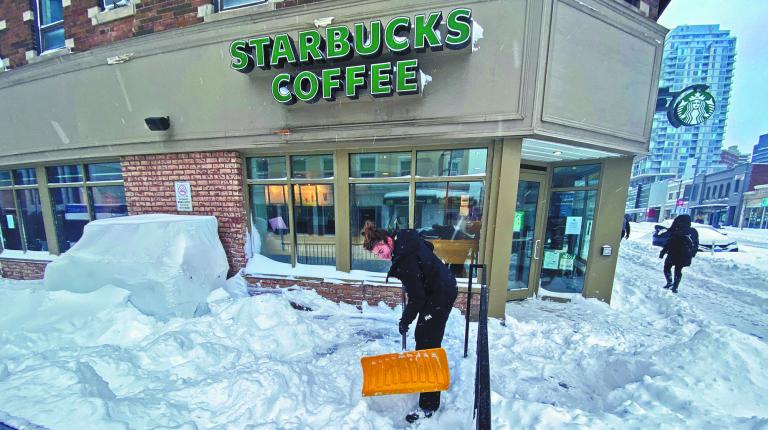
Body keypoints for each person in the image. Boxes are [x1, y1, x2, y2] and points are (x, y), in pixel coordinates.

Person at [361, 221, 458, 424]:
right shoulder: (405, 241)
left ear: (388, 241)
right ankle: (425, 380)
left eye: (381, 250)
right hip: (439, 288)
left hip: (439, 294)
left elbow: (418, 298)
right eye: (377, 254)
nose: (382, 255)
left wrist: (405, 321)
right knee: (423, 337)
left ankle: (429, 405)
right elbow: (427, 250)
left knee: (427, 343)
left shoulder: (405, 260)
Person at [659, 214, 699, 293]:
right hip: (685, 255)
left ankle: (669, 282)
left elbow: (670, 243)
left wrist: (663, 252)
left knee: (667, 267)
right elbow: (696, 243)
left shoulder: (676, 229)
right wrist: (692, 253)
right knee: (678, 269)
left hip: (674, 254)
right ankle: (675, 287)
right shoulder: (693, 231)